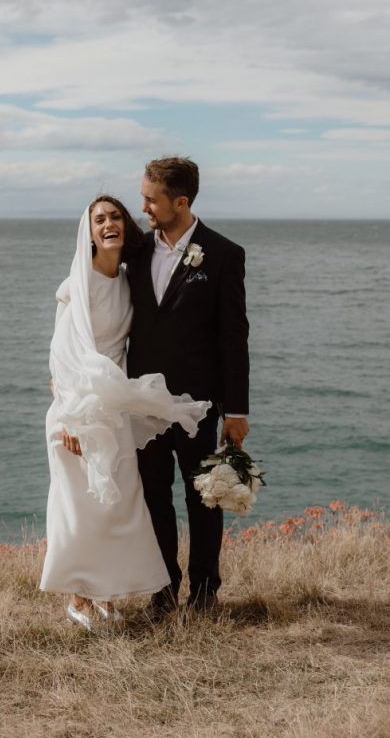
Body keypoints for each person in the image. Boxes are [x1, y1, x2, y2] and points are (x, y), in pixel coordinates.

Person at [40, 196, 210, 629]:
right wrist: (71, 420)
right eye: (99, 219)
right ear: (89, 231)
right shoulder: (76, 284)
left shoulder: (128, 279)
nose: (109, 223)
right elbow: (61, 358)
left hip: (113, 410)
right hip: (77, 413)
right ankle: (79, 596)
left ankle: (107, 596)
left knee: (116, 507)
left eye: (115, 216)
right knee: (81, 507)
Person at [126, 156, 250, 618]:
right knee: (153, 494)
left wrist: (237, 411)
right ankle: (162, 588)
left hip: (197, 403)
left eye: (151, 200)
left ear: (180, 202)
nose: (143, 207)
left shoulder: (222, 254)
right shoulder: (136, 252)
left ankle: (203, 591)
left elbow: (234, 339)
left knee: (203, 497)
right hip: (143, 400)